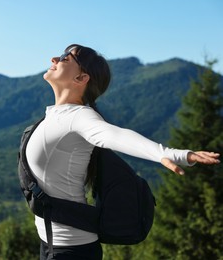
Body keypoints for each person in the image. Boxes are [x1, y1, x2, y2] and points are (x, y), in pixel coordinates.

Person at [24, 44, 221, 260]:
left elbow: (115, 135)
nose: (54, 58)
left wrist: (168, 153)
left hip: (71, 249)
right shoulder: (55, 115)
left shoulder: (80, 117)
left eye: (65, 57)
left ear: (81, 78)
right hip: (51, 244)